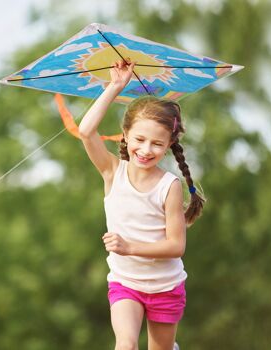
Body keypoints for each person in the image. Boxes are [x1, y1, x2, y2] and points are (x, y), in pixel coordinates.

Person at [78, 59, 205, 350]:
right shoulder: (112, 171)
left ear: (170, 143)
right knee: (126, 345)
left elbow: (176, 246)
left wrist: (129, 247)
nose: (146, 150)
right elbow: (86, 131)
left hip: (166, 287)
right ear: (124, 135)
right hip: (125, 283)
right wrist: (115, 86)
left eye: (157, 144)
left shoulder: (168, 186)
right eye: (139, 139)